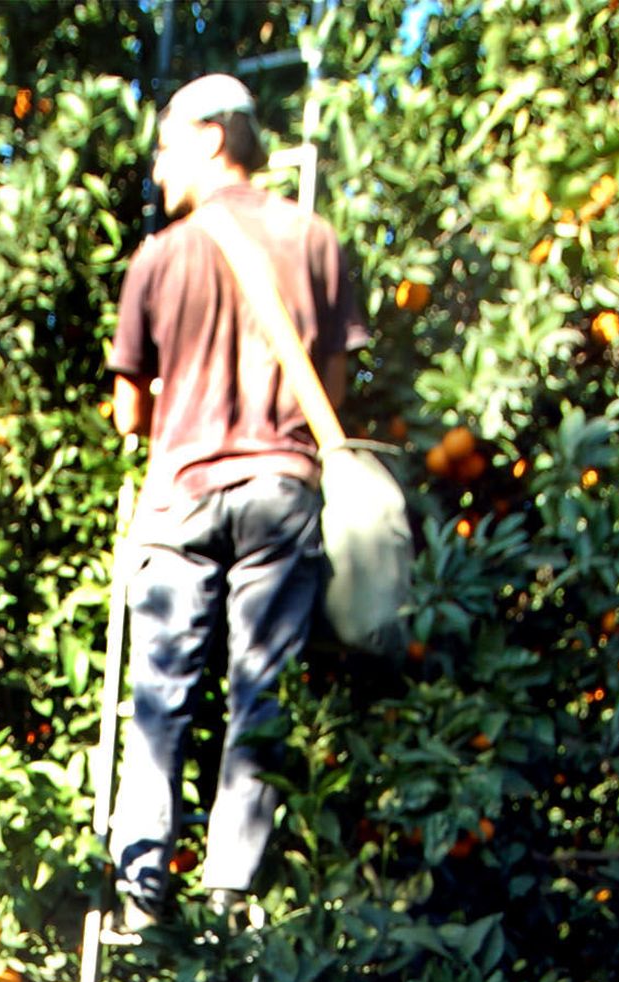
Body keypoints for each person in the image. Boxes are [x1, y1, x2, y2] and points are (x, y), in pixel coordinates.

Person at [107, 72, 368, 923]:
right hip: (281, 486)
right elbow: (333, 385)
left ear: (214, 137)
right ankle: (231, 882)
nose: (157, 166)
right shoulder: (316, 240)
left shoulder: (159, 256)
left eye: (168, 144)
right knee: (261, 690)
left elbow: (127, 414)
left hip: (183, 492)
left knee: (161, 688)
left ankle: (144, 877)